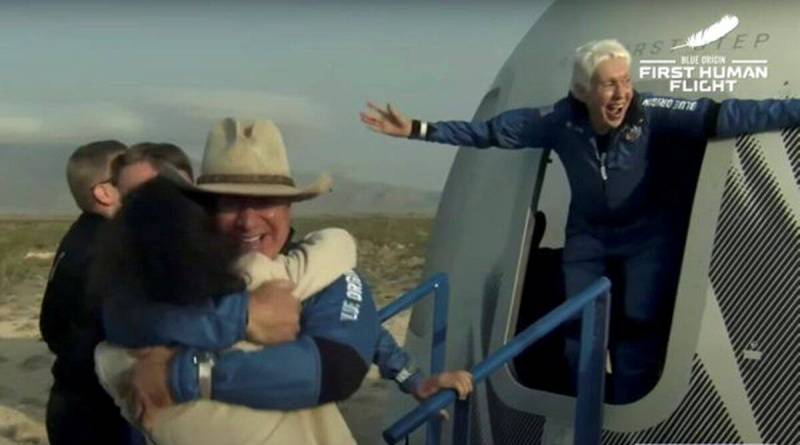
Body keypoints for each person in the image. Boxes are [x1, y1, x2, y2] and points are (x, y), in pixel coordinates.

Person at [359, 38, 800, 403]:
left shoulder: (651, 111)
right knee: (578, 330)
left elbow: (723, 116)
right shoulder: (559, 121)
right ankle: (579, 414)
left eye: (626, 81)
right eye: (609, 84)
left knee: (639, 324)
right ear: (584, 91)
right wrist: (417, 129)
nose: (622, 93)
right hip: (589, 238)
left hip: (646, 238)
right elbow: (492, 132)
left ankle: (625, 415)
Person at [100, 118, 472, 442]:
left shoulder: (324, 273)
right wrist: (241, 315)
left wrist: (180, 376)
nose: (248, 221)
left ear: (289, 207)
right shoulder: (187, 275)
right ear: (205, 210)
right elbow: (120, 315)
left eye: (265, 201)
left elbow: (338, 363)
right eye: (229, 202)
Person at [39, 140, 133, 444]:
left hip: (72, 404)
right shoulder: (108, 252)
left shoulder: (83, 235)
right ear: (103, 192)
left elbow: (51, 328)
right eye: (127, 174)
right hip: (97, 417)